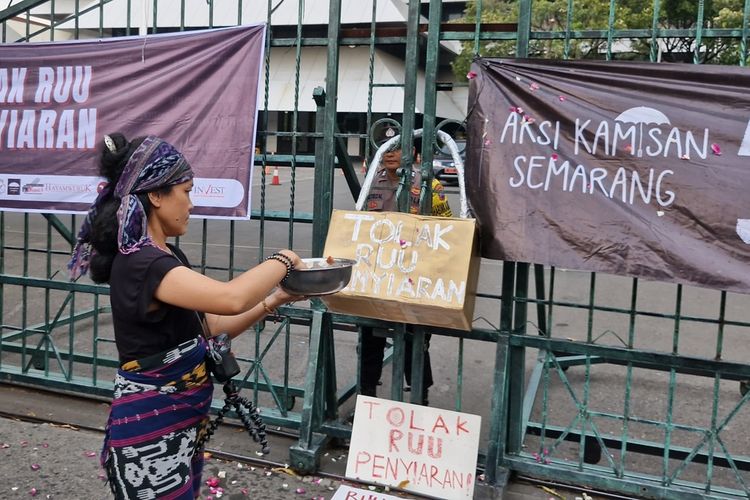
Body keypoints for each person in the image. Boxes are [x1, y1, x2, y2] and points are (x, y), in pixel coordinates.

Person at [67, 133, 303, 499]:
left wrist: (277, 297)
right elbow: (231, 297)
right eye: (186, 191)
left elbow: (214, 328)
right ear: (157, 196)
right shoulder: (143, 264)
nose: (191, 204)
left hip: (181, 425)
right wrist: (285, 259)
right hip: (152, 434)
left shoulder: (167, 257)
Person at [359, 140, 452, 406]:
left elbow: (445, 229)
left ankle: (419, 399)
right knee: (369, 337)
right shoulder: (371, 185)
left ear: (411, 152)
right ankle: (367, 399)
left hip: (415, 276)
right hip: (378, 274)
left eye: (397, 148)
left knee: (415, 339)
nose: (390, 154)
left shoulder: (428, 186)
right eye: (386, 148)